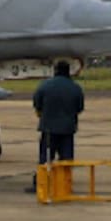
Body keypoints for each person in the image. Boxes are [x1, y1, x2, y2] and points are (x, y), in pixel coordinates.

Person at [25, 59, 85, 193]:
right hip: (67, 129)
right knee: (66, 159)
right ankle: (65, 185)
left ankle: (40, 184)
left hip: (48, 128)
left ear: (55, 70)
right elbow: (80, 107)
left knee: (45, 158)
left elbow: (37, 103)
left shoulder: (45, 86)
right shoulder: (75, 87)